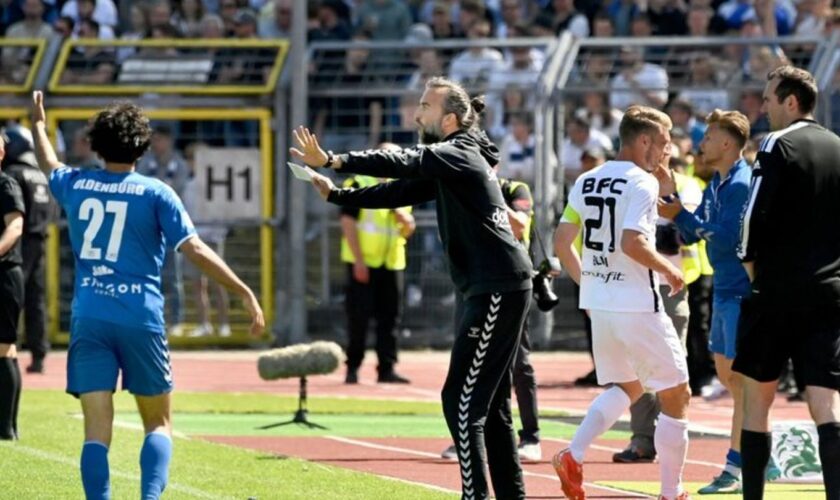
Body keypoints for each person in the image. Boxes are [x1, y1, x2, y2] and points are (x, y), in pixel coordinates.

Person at [295, 76, 534, 500]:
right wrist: (336, 196)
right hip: (497, 285)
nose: (416, 112)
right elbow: (398, 189)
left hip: (496, 285)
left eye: (425, 105)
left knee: (460, 401)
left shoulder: (459, 151)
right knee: (491, 407)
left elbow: (403, 162)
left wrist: (334, 159)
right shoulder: (454, 159)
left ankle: (474, 496)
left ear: (449, 119)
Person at [31, 91, 264, 499]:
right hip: (141, 316)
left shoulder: (77, 184)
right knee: (158, 423)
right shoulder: (156, 192)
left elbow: (49, 162)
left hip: (90, 316)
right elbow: (195, 249)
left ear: (95, 144)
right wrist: (243, 290)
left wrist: (36, 123)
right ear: (142, 144)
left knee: (95, 432)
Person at [552, 105, 691, 500]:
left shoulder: (586, 179)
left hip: (602, 305)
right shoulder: (641, 182)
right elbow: (633, 243)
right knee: (677, 394)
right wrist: (669, 269)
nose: (666, 151)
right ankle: (671, 491)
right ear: (644, 140)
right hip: (637, 303)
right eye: (663, 142)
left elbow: (563, 244)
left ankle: (574, 453)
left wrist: (590, 286)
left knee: (628, 386)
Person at [735, 65, 840, 500]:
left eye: (768, 98)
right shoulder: (838, 145)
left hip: (777, 290)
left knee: (757, 403)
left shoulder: (779, 143)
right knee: (827, 407)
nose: (764, 106)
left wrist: (750, 265)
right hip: (829, 291)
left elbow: (752, 215)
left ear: (790, 102)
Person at [658, 109, 753, 494]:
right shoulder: (718, 180)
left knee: (741, 382)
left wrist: (681, 214)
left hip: (742, 292)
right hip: (724, 289)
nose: (702, 144)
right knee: (729, 376)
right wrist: (673, 201)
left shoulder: (740, 185)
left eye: (709, 137)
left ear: (727, 143)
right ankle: (758, 448)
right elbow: (698, 233)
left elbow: (726, 238)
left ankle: (739, 464)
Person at [442, 171, 543, 462]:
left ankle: (531, 436)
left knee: (519, 363)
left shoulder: (514, 189)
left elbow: (521, 225)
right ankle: (467, 437)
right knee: (466, 360)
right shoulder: (462, 189)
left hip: (509, 285)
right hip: (472, 285)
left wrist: (491, 196)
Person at [612, 149, 702, 466]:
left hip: (671, 289)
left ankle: (669, 441)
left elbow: (677, 238)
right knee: (637, 365)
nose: (660, 159)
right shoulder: (632, 184)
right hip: (635, 286)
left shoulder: (688, 188)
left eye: (668, 155)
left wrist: (667, 198)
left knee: (671, 367)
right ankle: (641, 439)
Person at [340, 143, 415, 385]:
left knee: (390, 319)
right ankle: (352, 368)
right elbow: (348, 224)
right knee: (358, 318)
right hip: (363, 263)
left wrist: (406, 221)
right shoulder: (358, 183)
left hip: (392, 263)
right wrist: (359, 261)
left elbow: (407, 230)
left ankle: (387, 368)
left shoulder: (404, 186)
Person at [1, 126, 51, 374]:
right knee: (35, 301)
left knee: (11, 299)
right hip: (40, 240)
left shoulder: (12, 175)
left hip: (18, 244)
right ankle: (39, 354)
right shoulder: (40, 175)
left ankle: (10, 347)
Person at [0, 134, 25, 440]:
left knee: (4, 348)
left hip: (4, 274)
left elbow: (15, 226)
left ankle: (6, 428)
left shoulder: (6, 184)